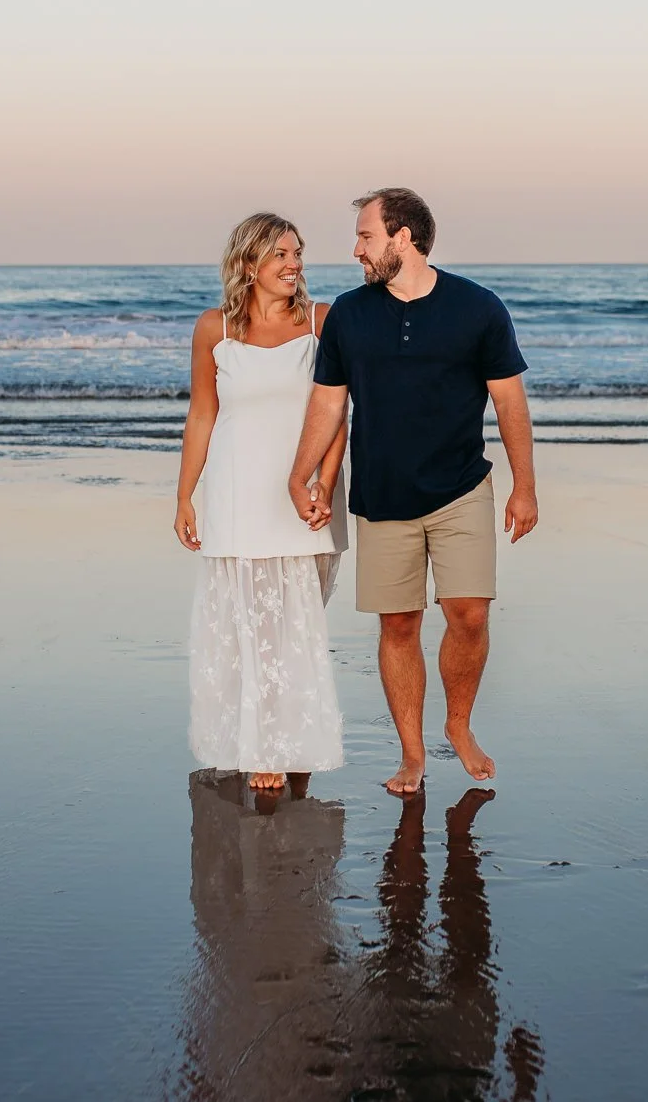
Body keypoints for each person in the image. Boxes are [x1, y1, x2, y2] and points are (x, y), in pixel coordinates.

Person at [287, 188, 537, 794]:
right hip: (382, 493)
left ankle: (458, 725)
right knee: (398, 625)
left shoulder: (478, 308)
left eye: (366, 236)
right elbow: (328, 402)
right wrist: (301, 474)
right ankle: (412, 753)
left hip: (460, 486)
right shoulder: (349, 313)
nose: (356, 249)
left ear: (403, 237)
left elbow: (508, 399)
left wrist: (525, 486)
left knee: (469, 614)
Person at [175, 212, 348, 791]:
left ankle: (292, 737)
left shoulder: (323, 323)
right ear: (248, 264)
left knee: (297, 619)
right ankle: (265, 747)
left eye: (297, 253)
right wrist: (185, 495)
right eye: (279, 254)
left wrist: (322, 482)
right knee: (249, 620)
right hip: (235, 488)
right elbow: (203, 415)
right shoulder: (213, 330)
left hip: (306, 493)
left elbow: (337, 411)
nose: (293, 264)